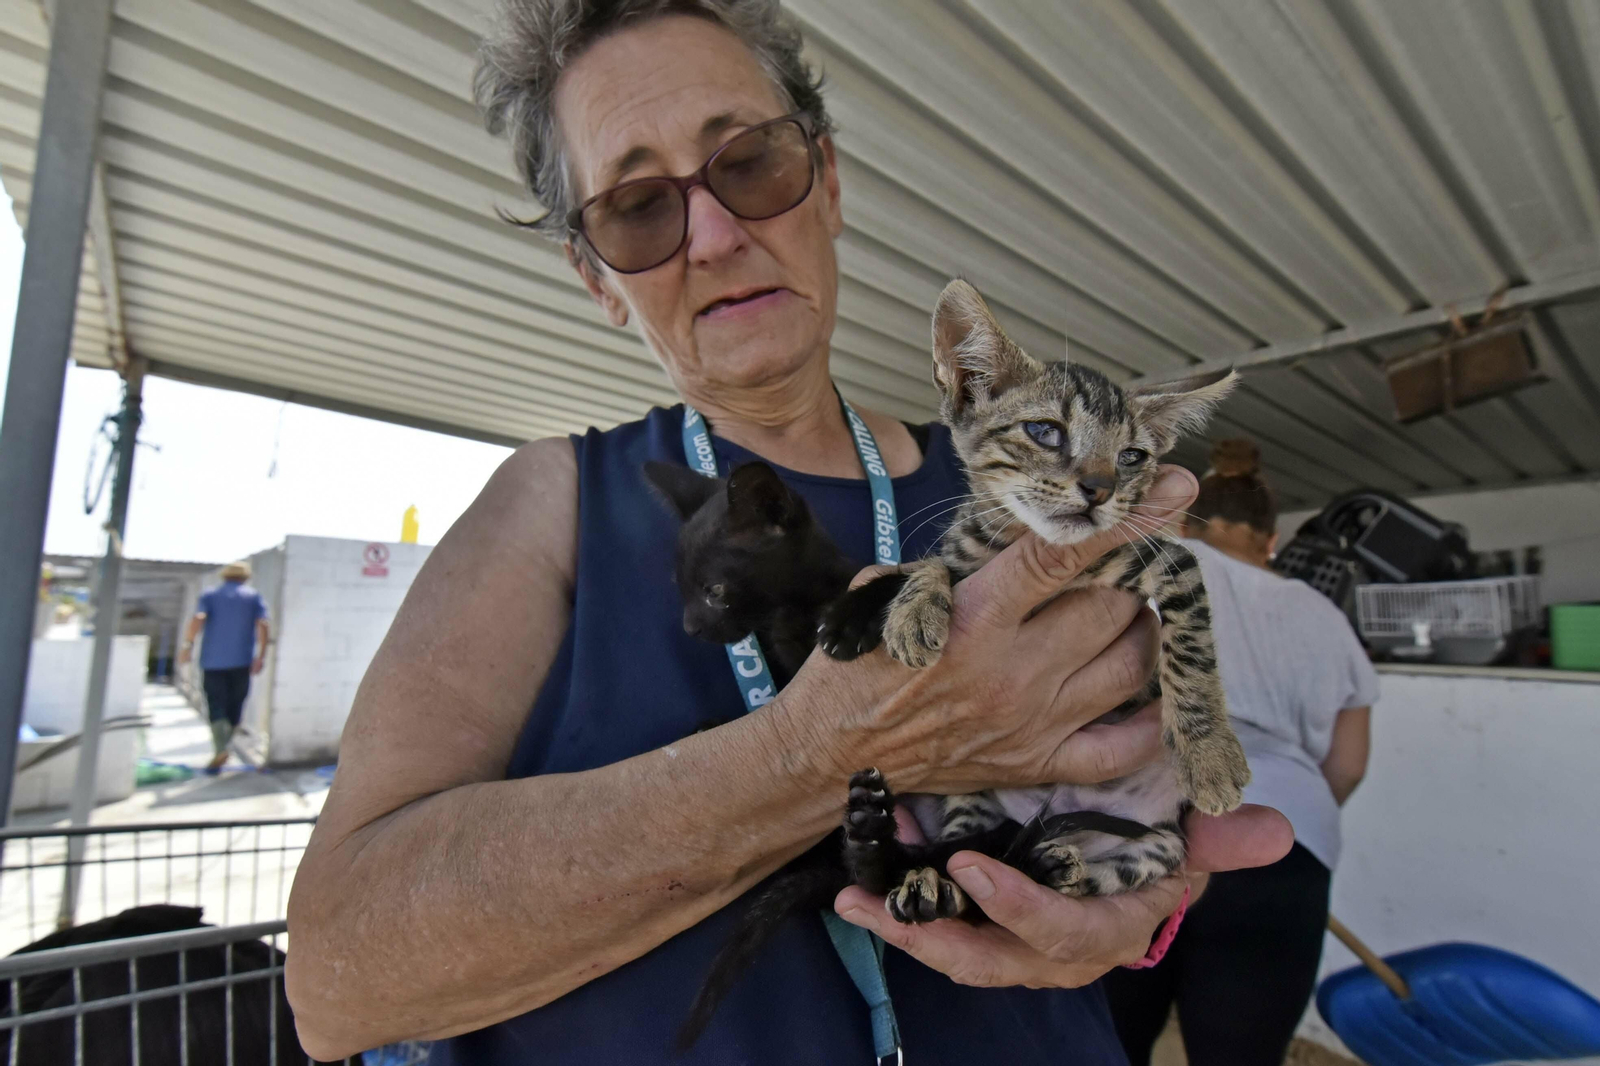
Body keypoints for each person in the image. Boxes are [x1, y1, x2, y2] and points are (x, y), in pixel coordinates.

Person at [282, 4, 1291, 1063]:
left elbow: (1147, 802)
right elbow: (338, 979)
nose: (716, 236)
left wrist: (1138, 916)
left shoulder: (1019, 494)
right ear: (597, 278)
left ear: (828, 181)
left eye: (750, 162)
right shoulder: (552, 500)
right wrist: (824, 751)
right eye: (636, 207)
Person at [1102, 440, 1380, 1066]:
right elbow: (1349, 763)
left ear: (1185, 520)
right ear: (1271, 539)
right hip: (1283, 845)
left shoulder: (1151, 563)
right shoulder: (1323, 616)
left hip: (1139, 821)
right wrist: (1282, 816)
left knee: (1111, 1042)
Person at [177, 560, 270, 773]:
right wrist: (261, 655)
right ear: (245, 578)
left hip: (212, 662)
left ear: (225, 577)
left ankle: (221, 748)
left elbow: (198, 618)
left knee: (216, 705)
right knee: (235, 706)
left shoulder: (210, 595)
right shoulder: (253, 597)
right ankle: (225, 747)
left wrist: (187, 645)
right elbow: (264, 624)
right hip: (241, 661)